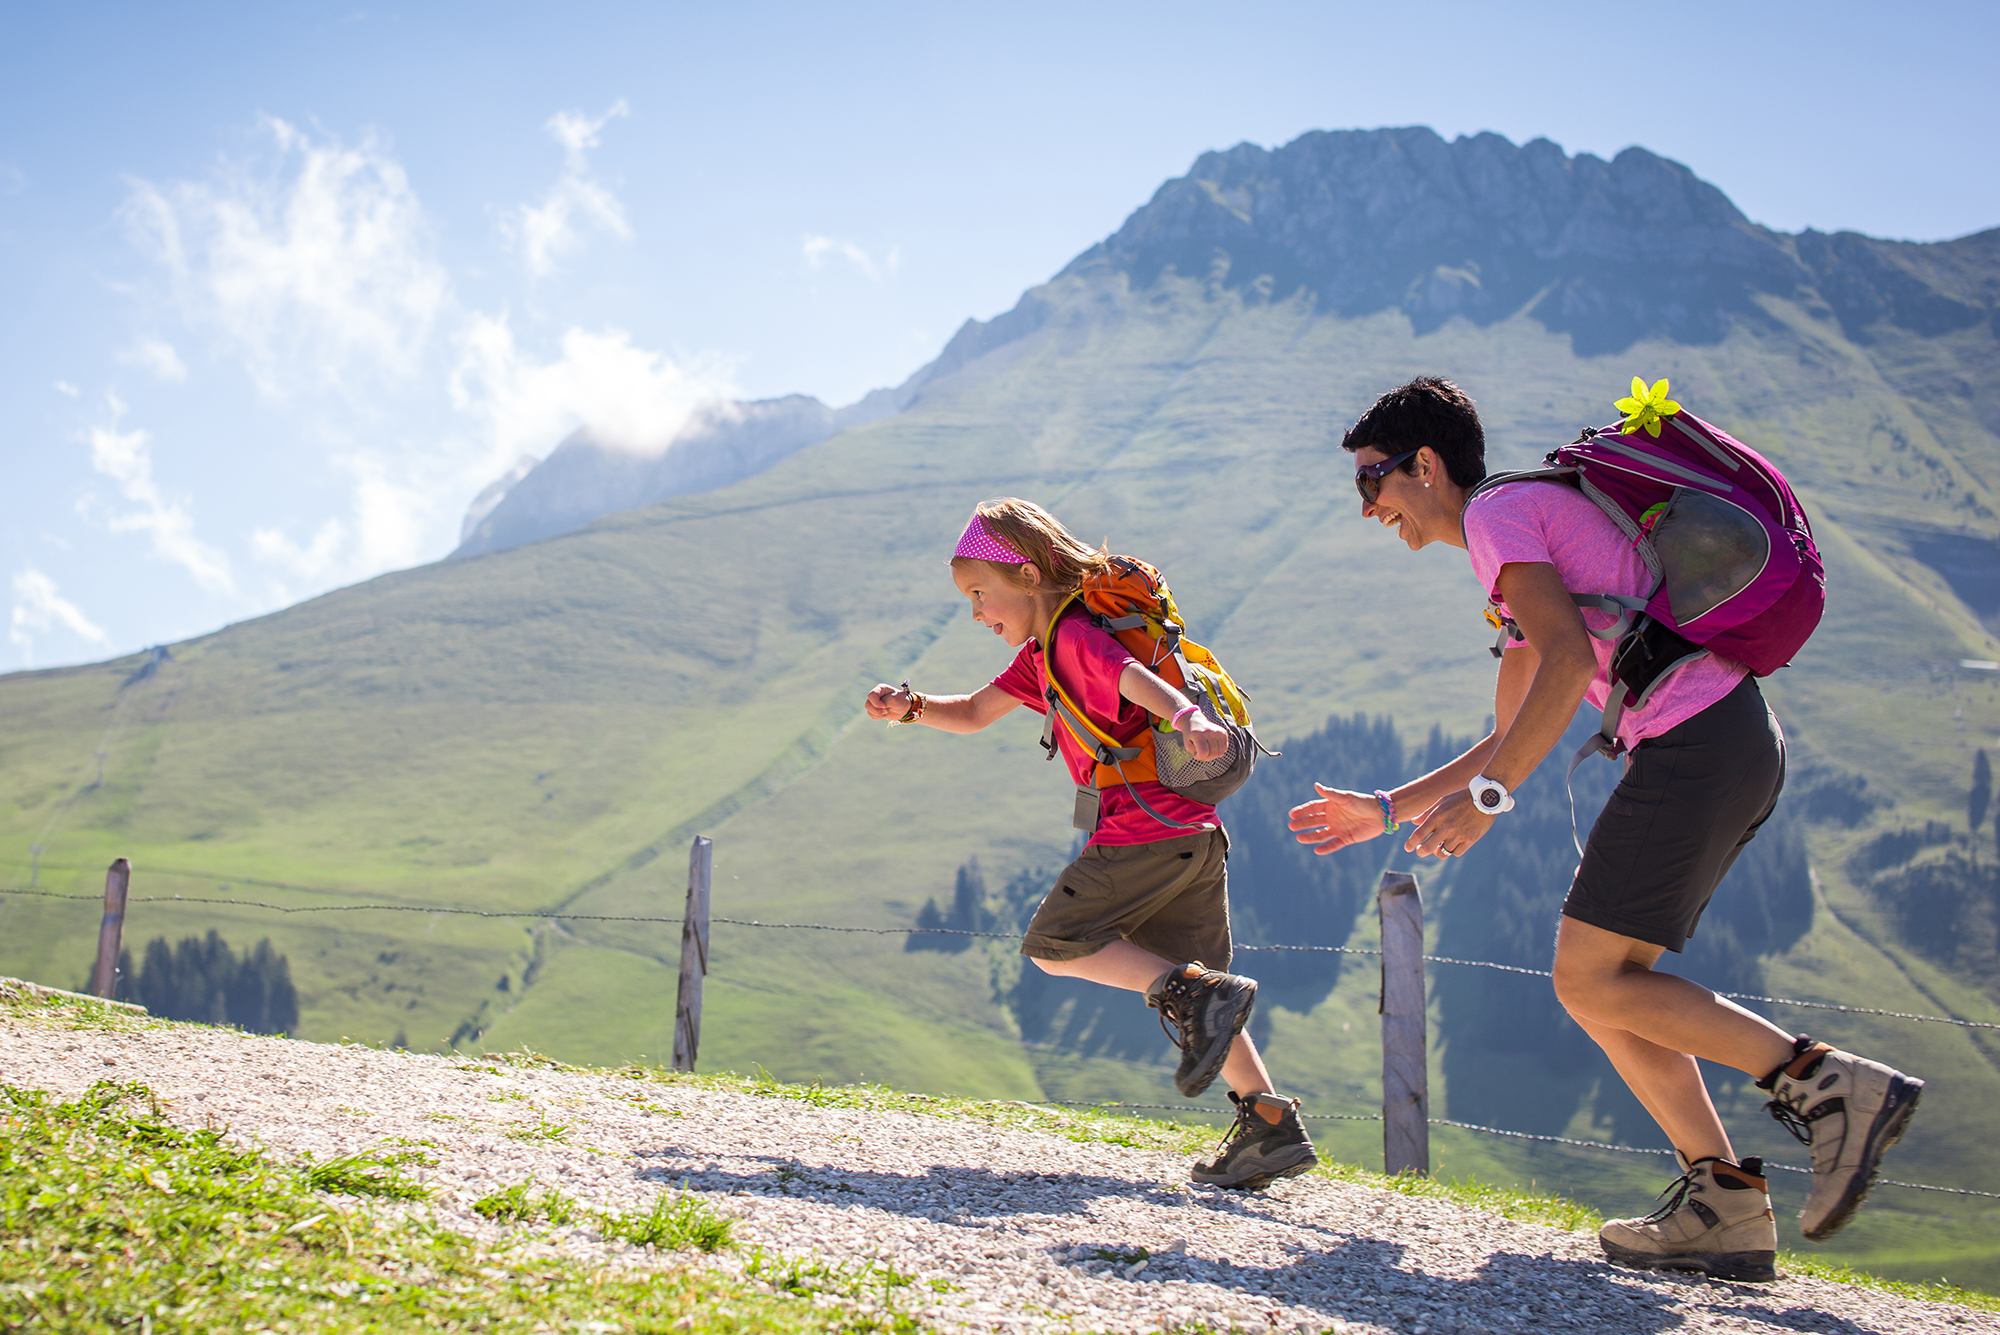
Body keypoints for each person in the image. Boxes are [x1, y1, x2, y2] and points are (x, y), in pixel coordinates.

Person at [1288, 377, 1922, 1281]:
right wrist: (1387, 807)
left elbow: (1566, 665)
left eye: (1370, 480)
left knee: (1588, 978)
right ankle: (1725, 1202)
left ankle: (1830, 1086)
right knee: (1605, 986)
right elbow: (1511, 728)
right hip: (1726, 742)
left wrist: (1490, 801)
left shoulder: (1499, 517)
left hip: (1695, 744)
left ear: (1424, 465)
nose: (1367, 508)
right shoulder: (1514, 539)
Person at [864, 497, 1320, 1190]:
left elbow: (1133, 678)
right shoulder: (1040, 657)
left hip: (1140, 832)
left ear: (1027, 575)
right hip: (1193, 838)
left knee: (1056, 945)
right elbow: (976, 712)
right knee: (1198, 986)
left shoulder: (1074, 637)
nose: (977, 613)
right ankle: (1270, 1124)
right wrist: (912, 706)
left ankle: (1198, 1001)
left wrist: (1187, 714)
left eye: (980, 593)